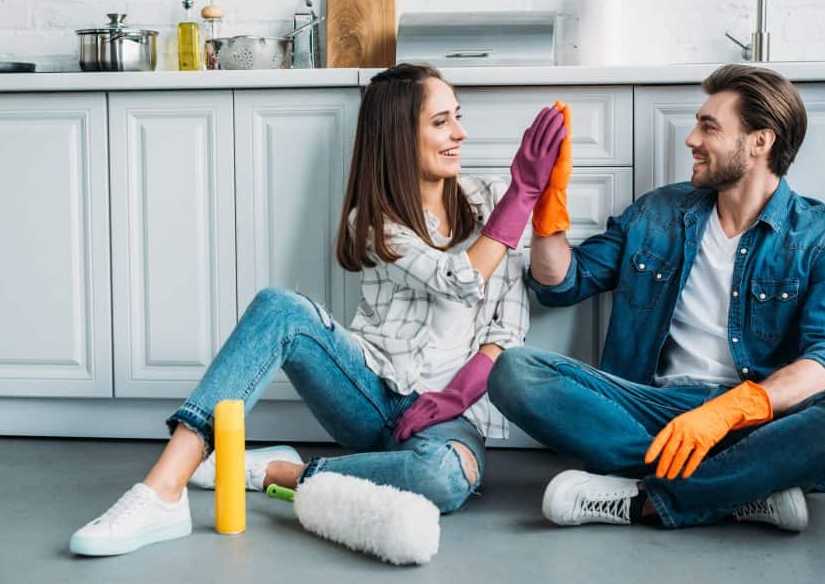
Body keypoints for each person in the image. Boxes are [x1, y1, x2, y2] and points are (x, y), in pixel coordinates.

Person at [69, 63, 566, 556]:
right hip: (371, 393)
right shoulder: (372, 223)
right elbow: (458, 280)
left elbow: (507, 329)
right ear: (398, 136)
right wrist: (524, 193)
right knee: (280, 308)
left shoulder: (492, 201)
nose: (460, 132)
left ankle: (278, 472)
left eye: (456, 115)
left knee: (443, 477)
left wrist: (453, 398)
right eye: (440, 122)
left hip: (450, 417)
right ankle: (161, 491)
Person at [487, 64, 825, 531]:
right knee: (513, 371)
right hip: (652, 406)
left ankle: (642, 498)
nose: (691, 139)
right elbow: (562, 283)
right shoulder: (659, 212)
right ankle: (744, 488)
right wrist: (547, 202)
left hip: (757, 420)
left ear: (760, 142)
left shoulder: (821, 237)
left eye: (709, 126)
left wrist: (728, 411)